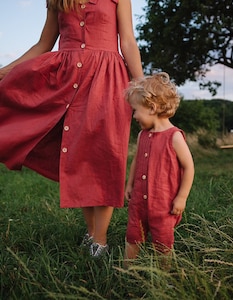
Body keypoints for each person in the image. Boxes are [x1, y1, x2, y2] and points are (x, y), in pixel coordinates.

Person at [0, 0, 143, 258]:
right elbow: (43, 44)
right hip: (67, 79)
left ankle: (99, 241)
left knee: (106, 156)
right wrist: (5, 72)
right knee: (79, 157)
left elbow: (128, 41)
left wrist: (140, 83)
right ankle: (93, 235)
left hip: (108, 80)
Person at [123, 72, 194, 268]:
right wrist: (129, 185)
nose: (134, 116)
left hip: (163, 203)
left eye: (135, 110)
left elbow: (189, 167)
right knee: (133, 235)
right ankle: (128, 271)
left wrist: (182, 197)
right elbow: (136, 161)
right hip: (139, 201)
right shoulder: (142, 135)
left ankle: (164, 276)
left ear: (152, 108)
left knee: (163, 242)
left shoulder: (174, 136)